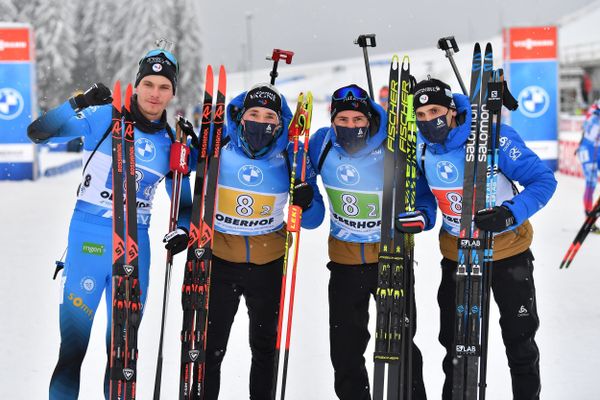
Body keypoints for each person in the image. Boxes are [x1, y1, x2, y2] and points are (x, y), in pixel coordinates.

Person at [27, 48, 194, 399]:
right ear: (135, 85)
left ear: (173, 93)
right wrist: (80, 101)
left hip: (137, 248)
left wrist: (182, 229)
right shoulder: (105, 118)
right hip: (88, 237)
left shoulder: (171, 143)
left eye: (164, 87)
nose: (154, 93)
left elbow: (185, 203)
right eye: (147, 83)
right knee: (72, 351)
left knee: (122, 356)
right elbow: (38, 132)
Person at [395, 78, 557, 400]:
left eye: (436, 111)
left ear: (452, 110)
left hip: (508, 253)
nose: (429, 120)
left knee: (520, 342)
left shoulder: (493, 135)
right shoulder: (421, 146)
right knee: (456, 346)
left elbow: (542, 181)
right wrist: (424, 215)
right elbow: (426, 192)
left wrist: (510, 213)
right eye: (422, 114)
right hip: (458, 256)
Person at [203, 83, 325, 400]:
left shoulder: (291, 156)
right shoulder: (221, 147)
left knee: (264, 349)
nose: (260, 121)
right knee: (209, 347)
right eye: (253, 114)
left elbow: (313, 220)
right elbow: (185, 179)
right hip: (220, 263)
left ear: (280, 122)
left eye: (269, 115)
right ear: (241, 118)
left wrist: (306, 200)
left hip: (268, 266)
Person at [308, 84, 427, 400]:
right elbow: (311, 216)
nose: (350, 126)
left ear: (370, 118)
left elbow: (422, 190)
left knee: (400, 345)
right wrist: (305, 198)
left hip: (390, 259)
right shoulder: (321, 143)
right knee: (345, 351)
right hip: (344, 264)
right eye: (343, 119)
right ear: (333, 120)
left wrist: (420, 214)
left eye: (357, 119)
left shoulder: (394, 143)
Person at [576, 100, 600, 230]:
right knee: (591, 183)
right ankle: (589, 217)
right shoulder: (596, 107)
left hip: (597, 148)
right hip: (588, 149)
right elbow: (586, 124)